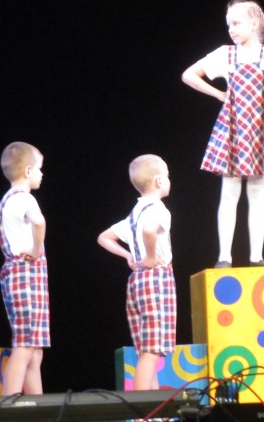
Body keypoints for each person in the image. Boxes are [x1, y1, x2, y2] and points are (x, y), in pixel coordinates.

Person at [182, 0, 264, 268]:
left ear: (254, 23)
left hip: (259, 126)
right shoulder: (225, 54)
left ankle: (256, 256)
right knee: (229, 192)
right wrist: (219, 93)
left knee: (257, 192)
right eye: (228, 25)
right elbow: (189, 75)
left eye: (236, 23)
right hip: (233, 127)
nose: (231, 29)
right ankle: (224, 257)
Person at [97, 154, 175, 390]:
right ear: (159, 181)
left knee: (147, 349)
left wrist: (128, 256)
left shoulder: (135, 213)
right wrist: (150, 257)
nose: (169, 180)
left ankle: (152, 405)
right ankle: (141, 405)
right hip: (156, 279)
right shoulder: (159, 209)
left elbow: (104, 237)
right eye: (167, 176)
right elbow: (150, 231)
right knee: (151, 351)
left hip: (137, 281)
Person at [0, 141, 49, 396]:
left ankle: (38, 408)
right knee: (25, 345)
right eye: (39, 168)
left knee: (34, 350)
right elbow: (39, 222)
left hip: (16, 273)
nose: (41, 173)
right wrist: (37, 250)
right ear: (27, 170)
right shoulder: (24, 198)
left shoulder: (5, 202)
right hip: (25, 272)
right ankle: (9, 405)